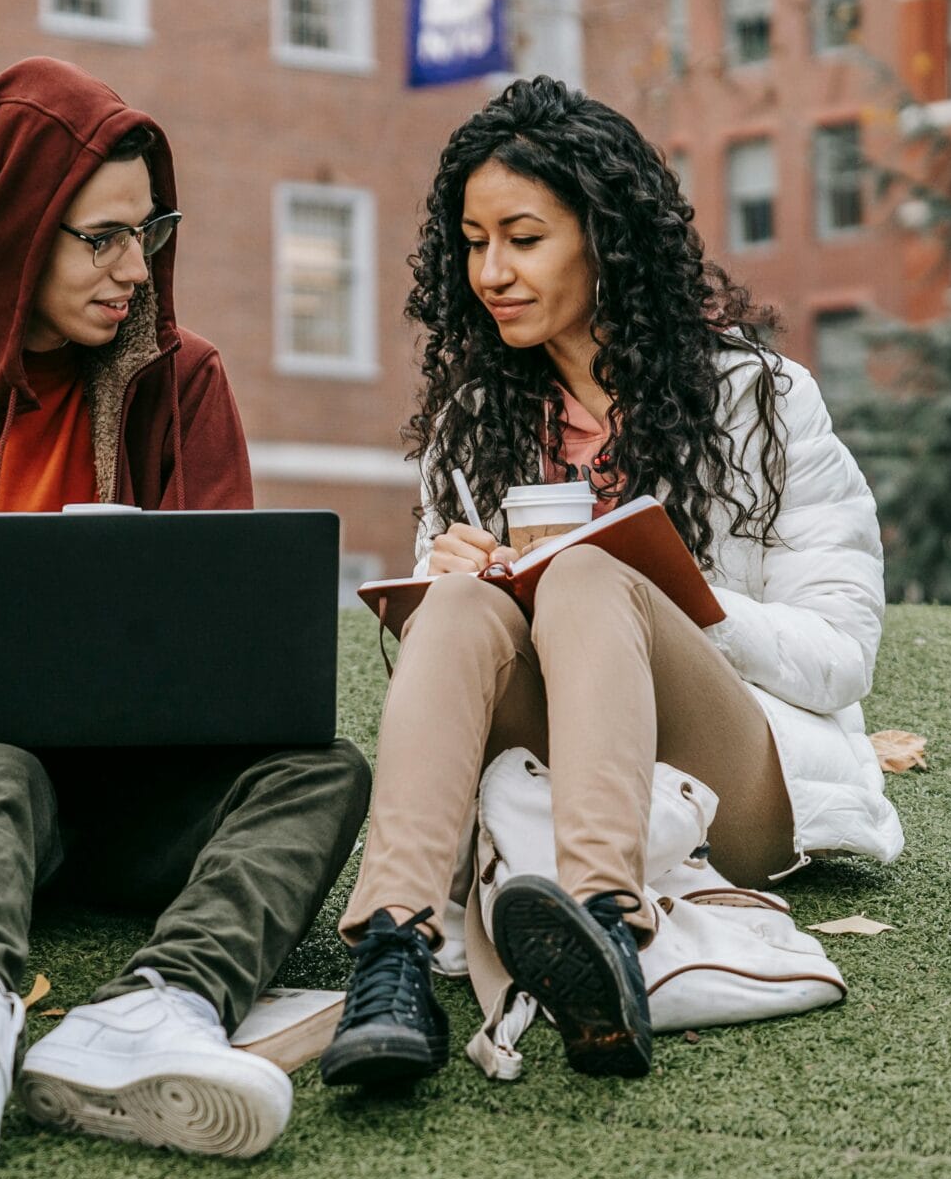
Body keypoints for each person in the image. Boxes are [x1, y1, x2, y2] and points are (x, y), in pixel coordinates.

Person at [0, 57, 371, 1176]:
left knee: (325, 767)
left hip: (134, 793)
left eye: (150, 231)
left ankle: (158, 1011)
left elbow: (230, 645)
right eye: (101, 238)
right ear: (11, 233)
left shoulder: (184, 383)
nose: (135, 268)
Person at [318, 77, 902, 1089]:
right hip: (538, 767)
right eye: (471, 242)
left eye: (523, 238)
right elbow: (456, 678)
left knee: (591, 573)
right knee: (459, 601)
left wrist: (664, 595)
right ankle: (392, 952)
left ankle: (602, 923)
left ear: (605, 238)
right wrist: (445, 581)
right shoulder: (473, 424)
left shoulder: (759, 403)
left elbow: (841, 659)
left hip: (728, 780)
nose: (490, 271)